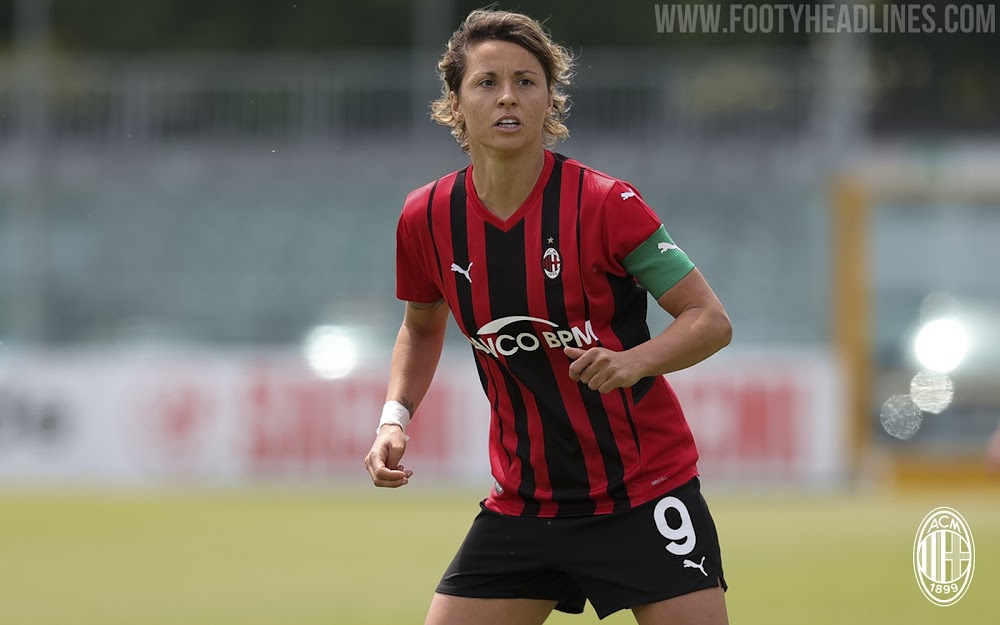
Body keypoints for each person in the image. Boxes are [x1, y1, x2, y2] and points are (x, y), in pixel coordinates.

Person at [364, 9, 733, 625]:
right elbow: (421, 326)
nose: (507, 97)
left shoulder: (607, 203)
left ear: (548, 99)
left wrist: (633, 362)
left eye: (526, 81)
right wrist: (393, 420)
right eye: (487, 82)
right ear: (455, 103)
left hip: (644, 492)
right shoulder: (426, 217)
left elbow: (709, 319)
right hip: (525, 504)